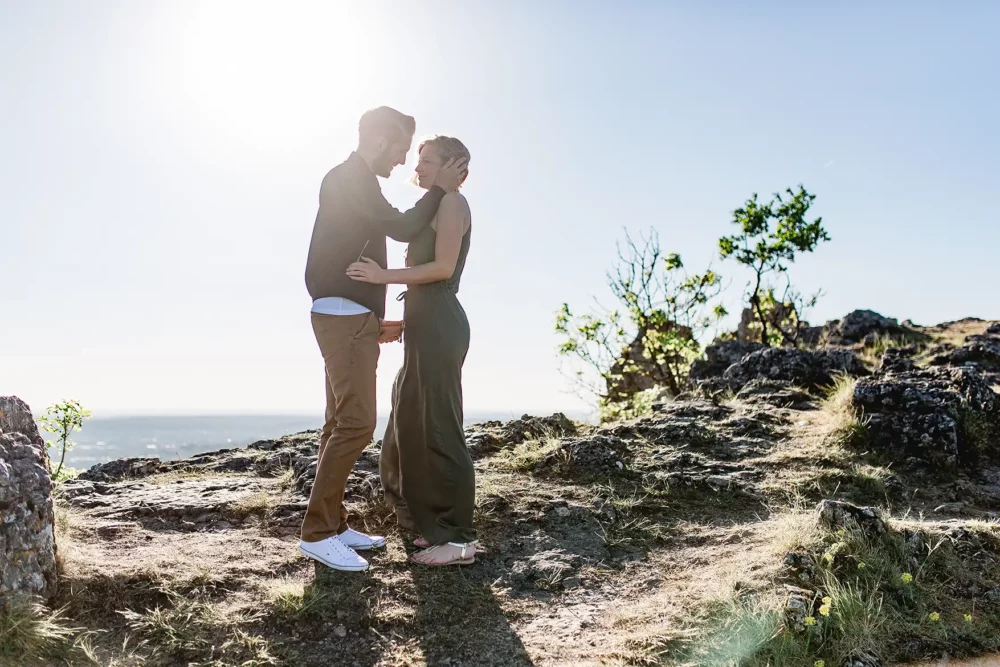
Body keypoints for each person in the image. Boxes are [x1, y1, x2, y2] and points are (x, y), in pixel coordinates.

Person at [300, 108, 466, 572]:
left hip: (351, 316)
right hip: (342, 314)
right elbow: (405, 227)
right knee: (356, 425)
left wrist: (375, 322)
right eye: (398, 150)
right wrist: (440, 190)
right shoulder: (349, 179)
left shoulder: (358, 182)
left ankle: (333, 524)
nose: (402, 162)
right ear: (377, 141)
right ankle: (316, 533)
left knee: (339, 423)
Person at [347, 136, 476, 566]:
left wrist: (383, 276)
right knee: (408, 421)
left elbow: (441, 269)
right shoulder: (436, 206)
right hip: (425, 324)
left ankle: (458, 540)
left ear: (452, 167)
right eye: (418, 160)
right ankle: (429, 524)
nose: (417, 168)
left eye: (427, 161)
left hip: (441, 325)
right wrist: (405, 321)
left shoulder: (453, 204)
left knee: (440, 426)